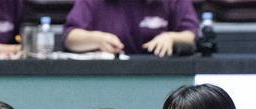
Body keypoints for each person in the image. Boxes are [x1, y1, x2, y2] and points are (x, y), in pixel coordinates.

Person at [63, 0, 199, 56]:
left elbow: (191, 35)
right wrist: (96, 39)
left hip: (162, 74)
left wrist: (171, 37)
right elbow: (70, 38)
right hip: (106, 75)